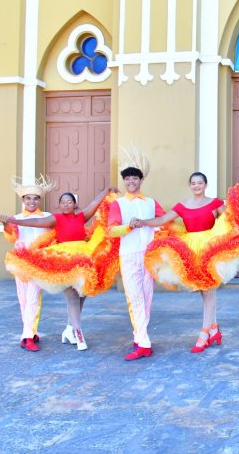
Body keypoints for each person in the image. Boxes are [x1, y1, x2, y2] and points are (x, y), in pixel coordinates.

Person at [138, 172, 239, 353]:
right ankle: (214, 329)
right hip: (190, 249)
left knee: (209, 291)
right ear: (190, 185)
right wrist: (142, 222)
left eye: (200, 183)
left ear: (206, 184)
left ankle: (204, 334)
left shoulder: (214, 203)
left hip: (210, 249)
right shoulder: (182, 205)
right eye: (193, 183)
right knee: (203, 292)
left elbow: (230, 220)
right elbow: (163, 220)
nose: (196, 186)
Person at [1, 186, 116, 351]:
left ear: (75, 205)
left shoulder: (80, 216)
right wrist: (13, 221)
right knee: (55, 298)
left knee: (82, 295)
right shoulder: (54, 218)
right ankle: (41, 334)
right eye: (63, 202)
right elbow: (36, 223)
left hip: (82, 259)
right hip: (54, 260)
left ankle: (69, 330)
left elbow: (95, 203)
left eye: (69, 202)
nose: (66, 204)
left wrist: (106, 191)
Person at [108, 147, 165, 361]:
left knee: (147, 296)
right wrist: (128, 227)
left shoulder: (151, 202)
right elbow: (111, 230)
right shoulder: (119, 204)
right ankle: (143, 342)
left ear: (141, 180)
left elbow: (164, 222)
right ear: (124, 182)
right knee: (134, 297)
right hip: (129, 254)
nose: (131, 181)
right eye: (128, 179)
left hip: (149, 254)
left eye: (135, 178)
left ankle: (140, 337)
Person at [0, 176, 55, 352]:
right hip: (20, 262)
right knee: (23, 299)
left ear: (40, 199)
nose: (32, 201)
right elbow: (12, 237)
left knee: (33, 298)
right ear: (22, 199)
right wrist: (6, 225)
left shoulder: (47, 217)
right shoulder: (15, 218)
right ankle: (31, 331)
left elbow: (54, 237)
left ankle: (27, 337)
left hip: (38, 263)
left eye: (35, 198)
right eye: (28, 198)